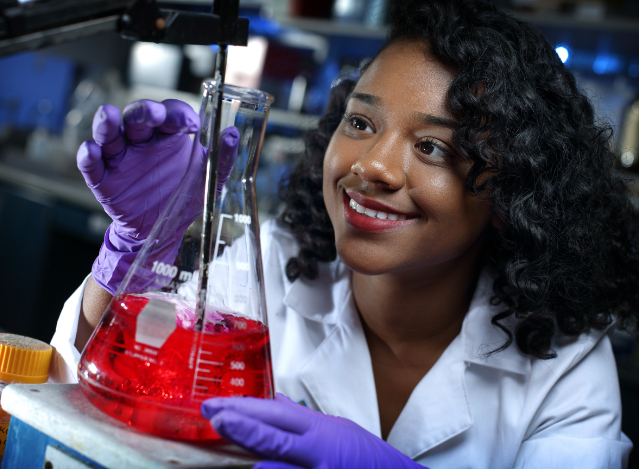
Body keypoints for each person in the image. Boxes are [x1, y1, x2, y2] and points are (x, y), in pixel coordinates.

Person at [50, 0, 639, 467]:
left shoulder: (563, 364)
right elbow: (96, 396)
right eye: (361, 122)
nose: (371, 166)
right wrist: (138, 249)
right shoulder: (269, 270)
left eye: (432, 147)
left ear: (511, 196)